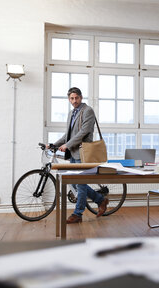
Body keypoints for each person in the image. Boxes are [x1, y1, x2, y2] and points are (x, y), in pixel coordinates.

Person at [53, 87, 108, 224]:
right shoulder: (71, 113)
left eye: (76, 97)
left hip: (83, 153)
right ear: (69, 99)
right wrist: (54, 144)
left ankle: (78, 214)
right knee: (76, 183)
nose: (74, 100)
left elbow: (83, 132)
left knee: (81, 185)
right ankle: (101, 200)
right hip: (73, 153)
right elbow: (68, 135)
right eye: (71, 98)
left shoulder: (87, 110)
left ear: (81, 97)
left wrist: (67, 145)